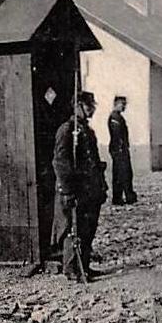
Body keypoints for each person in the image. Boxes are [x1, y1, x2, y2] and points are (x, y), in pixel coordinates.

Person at [51, 91, 107, 283]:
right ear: (78, 106)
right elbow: (60, 163)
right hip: (75, 189)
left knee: (87, 229)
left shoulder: (86, 131)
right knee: (73, 230)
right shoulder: (67, 130)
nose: (92, 109)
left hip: (90, 190)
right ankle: (72, 269)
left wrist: (101, 186)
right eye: (89, 106)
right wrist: (67, 190)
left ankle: (84, 265)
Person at [108, 95, 137, 205]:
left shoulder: (117, 116)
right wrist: (121, 148)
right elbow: (117, 135)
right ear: (116, 104)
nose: (124, 106)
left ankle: (119, 197)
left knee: (120, 174)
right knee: (124, 173)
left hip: (119, 148)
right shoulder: (115, 117)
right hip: (119, 149)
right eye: (122, 104)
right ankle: (127, 196)